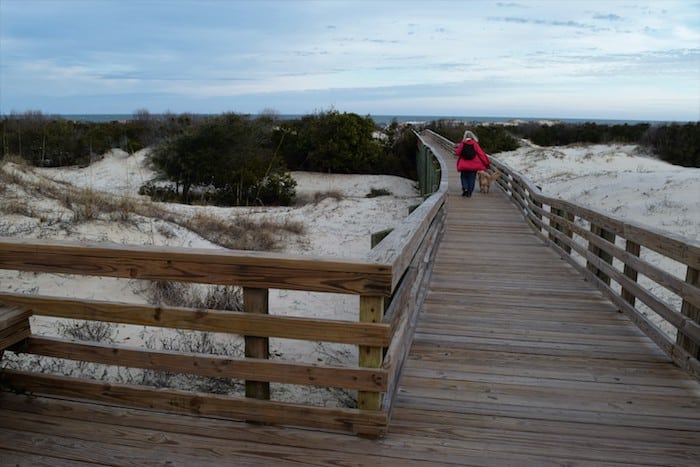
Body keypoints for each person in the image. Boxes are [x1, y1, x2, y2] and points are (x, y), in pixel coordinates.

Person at [455, 129, 490, 197]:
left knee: (464, 177)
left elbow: (457, 153)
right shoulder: (475, 144)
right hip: (474, 165)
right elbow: (481, 154)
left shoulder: (462, 143)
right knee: (472, 178)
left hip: (463, 165)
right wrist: (486, 163)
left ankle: (465, 188)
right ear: (472, 136)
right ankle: (469, 192)